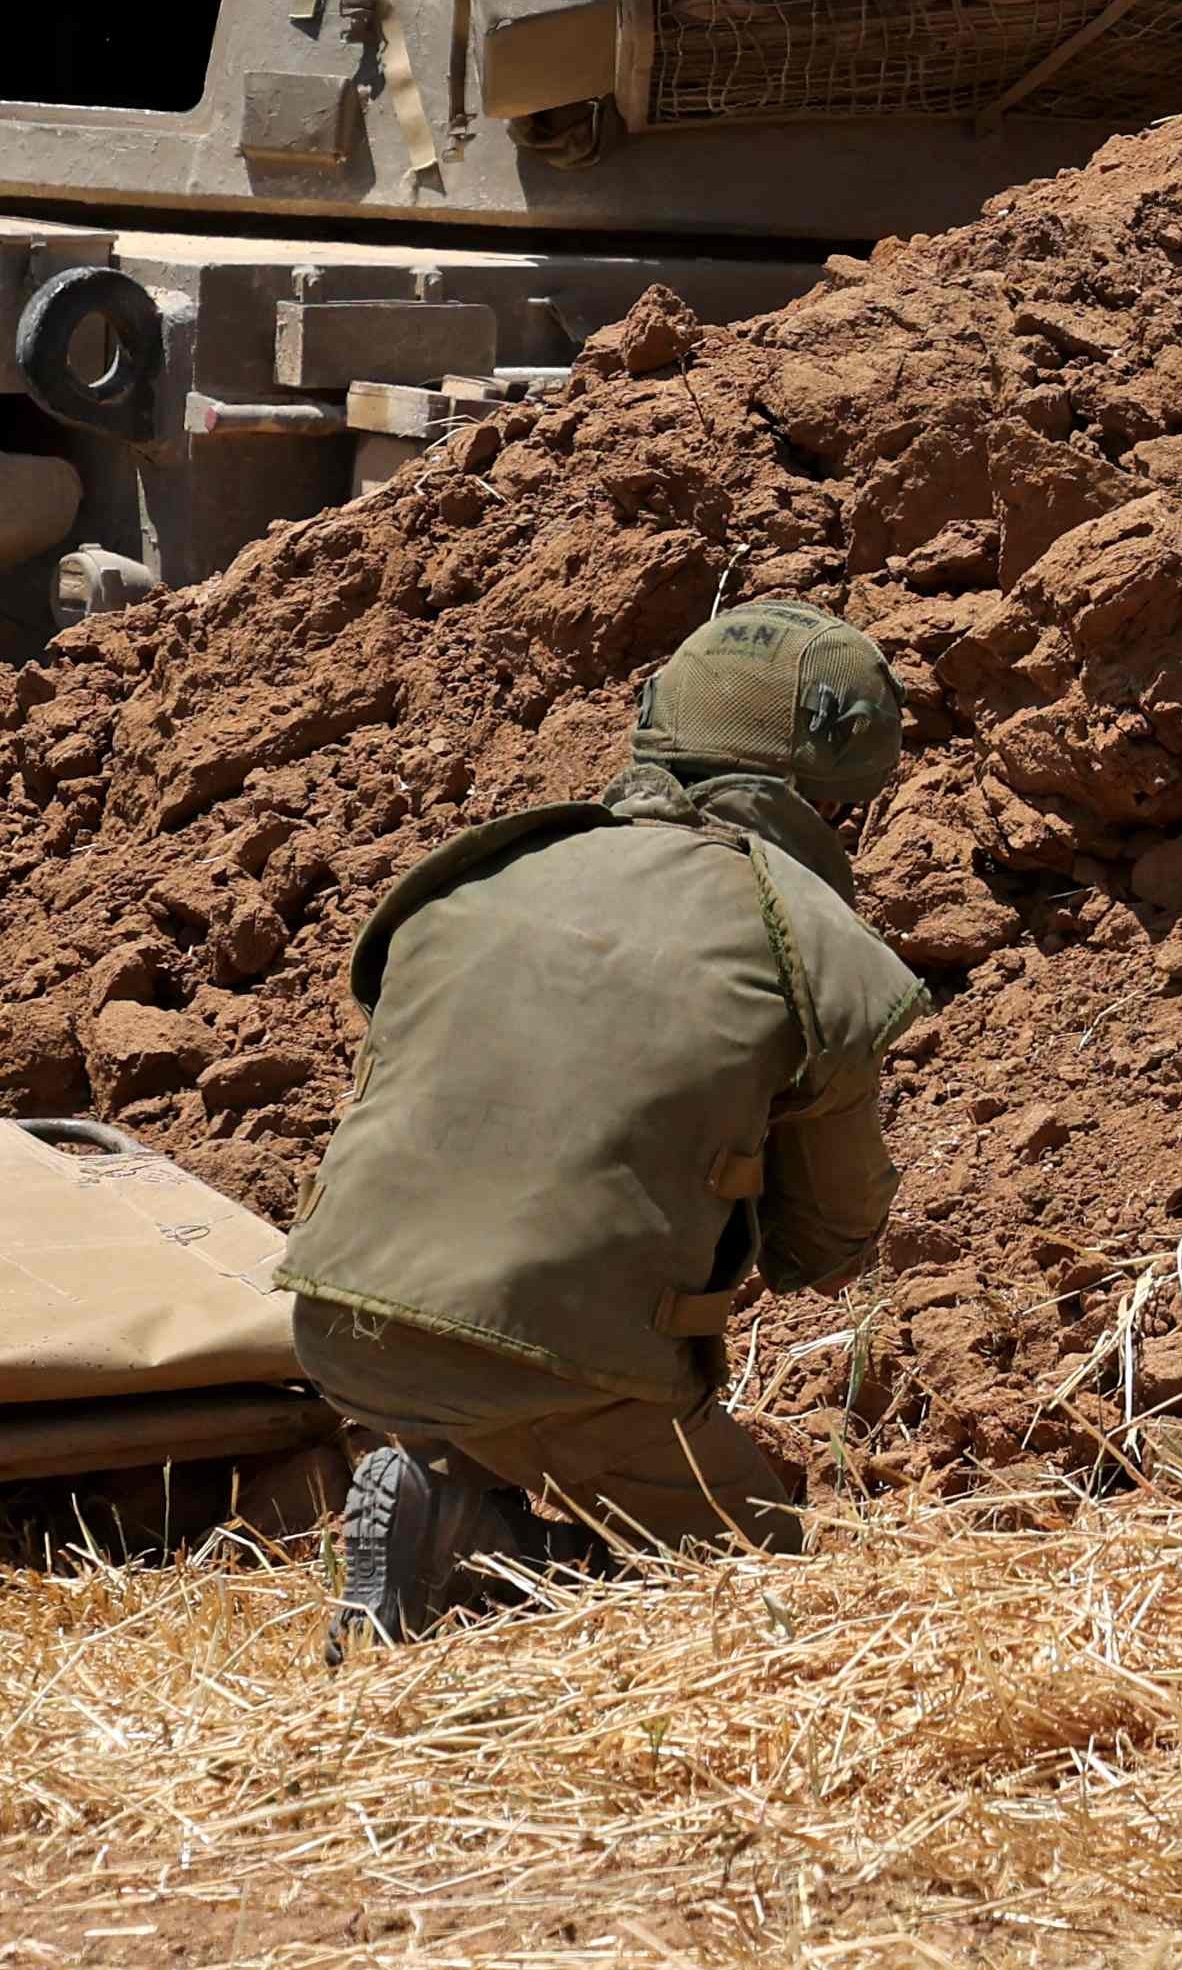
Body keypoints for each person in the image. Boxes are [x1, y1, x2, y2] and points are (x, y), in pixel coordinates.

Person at [284, 600, 933, 1644]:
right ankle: (481, 1533)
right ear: (840, 784)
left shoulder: (487, 868)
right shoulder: (806, 942)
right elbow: (829, 1244)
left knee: (515, 1401)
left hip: (338, 1322)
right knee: (763, 1598)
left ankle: (448, 1497)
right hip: (555, 1362)